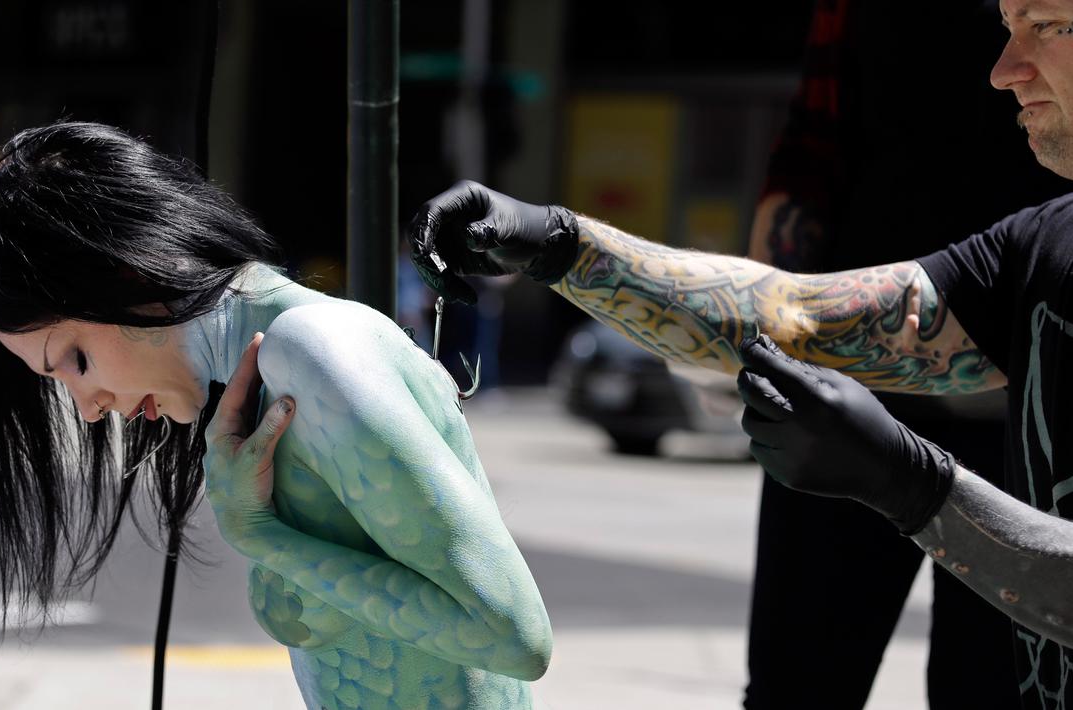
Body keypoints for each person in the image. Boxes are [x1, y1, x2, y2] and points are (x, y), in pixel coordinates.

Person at [405, 2, 1073, 706]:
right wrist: (563, 246)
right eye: (1007, 29)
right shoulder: (1039, 245)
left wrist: (909, 483)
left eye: (1048, 26)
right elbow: (794, 312)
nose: (1002, 72)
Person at [0, 122, 550, 710]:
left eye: (76, 360)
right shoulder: (257, 393)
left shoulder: (312, 350)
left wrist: (260, 536)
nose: (89, 408)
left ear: (125, 267)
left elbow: (512, 638)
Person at [744, 2, 1066, 707]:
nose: (1005, 70)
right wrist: (757, 346)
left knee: (996, 686)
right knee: (796, 681)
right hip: (855, 380)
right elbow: (808, 151)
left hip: (1030, 384)